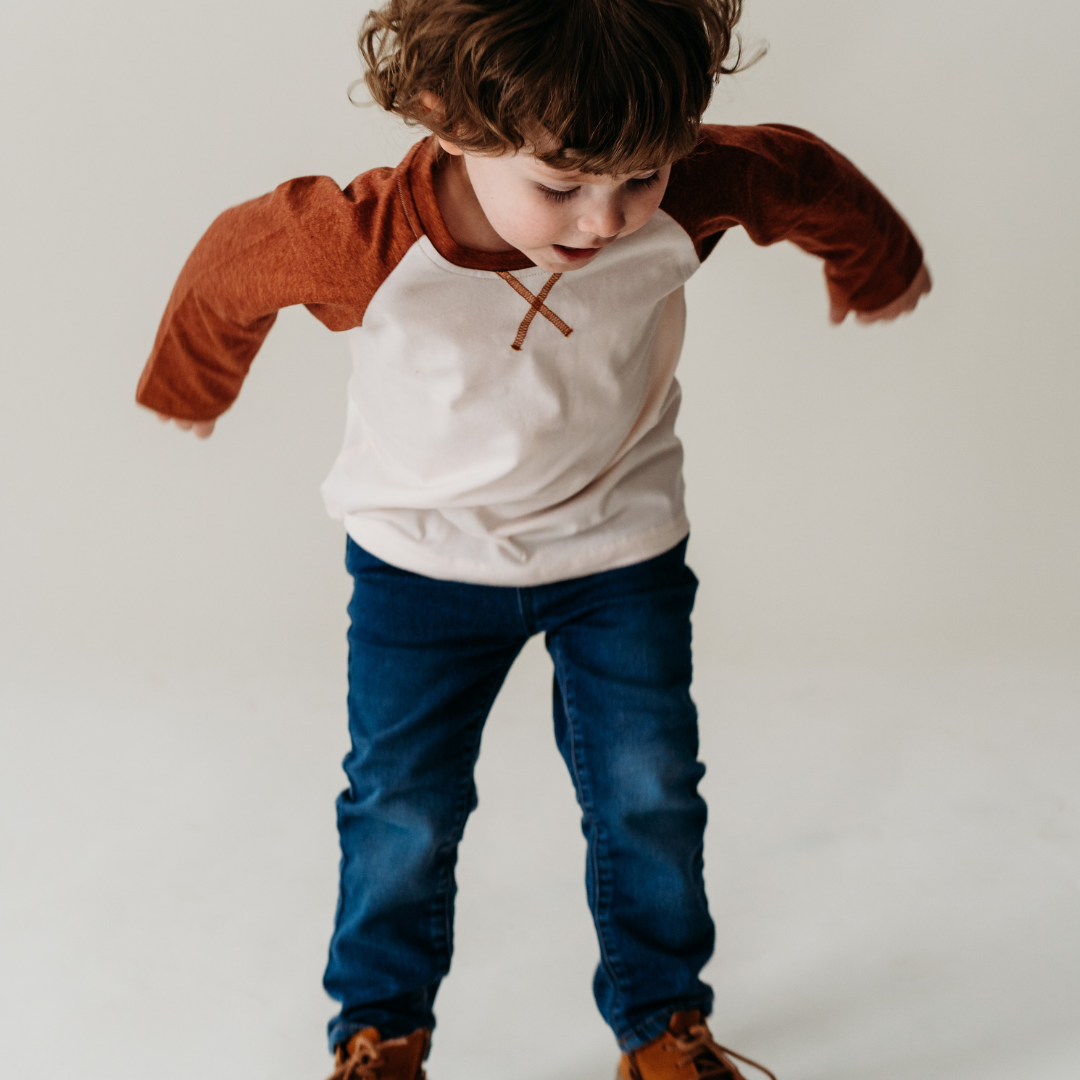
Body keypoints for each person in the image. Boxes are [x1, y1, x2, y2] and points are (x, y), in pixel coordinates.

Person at [136, 0, 931, 1077]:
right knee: (401, 806)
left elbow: (799, 173)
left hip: (619, 553)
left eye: (640, 180)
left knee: (649, 792)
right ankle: (380, 1030)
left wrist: (874, 266)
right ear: (446, 116)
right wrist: (194, 383)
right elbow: (236, 263)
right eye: (560, 185)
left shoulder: (684, 187)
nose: (605, 220)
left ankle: (662, 1024)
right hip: (421, 565)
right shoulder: (363, 238)